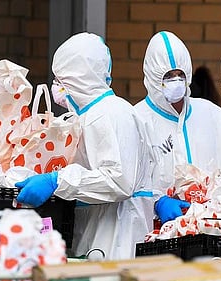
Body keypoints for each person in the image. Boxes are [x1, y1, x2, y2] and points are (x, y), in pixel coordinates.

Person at [15, 32, 154, 260]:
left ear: (77, 79)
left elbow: (118, 181)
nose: (56, 87)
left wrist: (56, 181)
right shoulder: (89, 116)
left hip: (117, 238)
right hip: (96, 232)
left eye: (60, 81)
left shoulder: (110, 114)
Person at [134, 31, 221, 225]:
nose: (176, 81)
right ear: (153, 77)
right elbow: (127, 184)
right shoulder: (137, 120)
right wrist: (156, 201)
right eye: (168, 76)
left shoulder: (213, 116)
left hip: (209, 227)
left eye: (180, 74)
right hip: (154, 230)